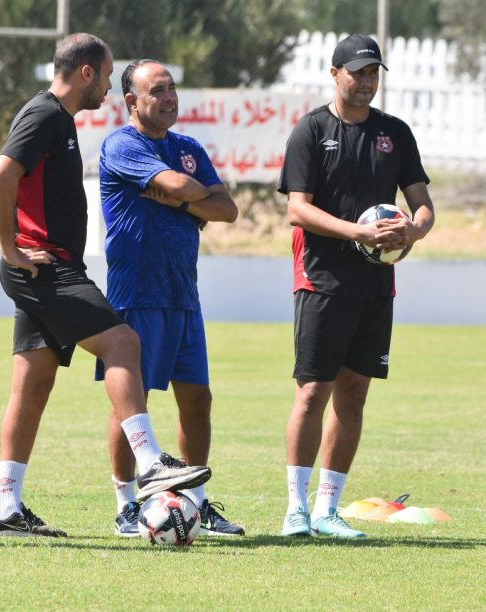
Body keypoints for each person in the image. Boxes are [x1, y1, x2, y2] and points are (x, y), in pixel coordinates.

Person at [0, 34, 212, 538]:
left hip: (46, 268)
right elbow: (0, 177)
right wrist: (11, 251)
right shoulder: (45, 115)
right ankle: (150, 462)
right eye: (107, 77)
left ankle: (5, 508)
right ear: (86, 72)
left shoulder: (59, 121)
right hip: (45, 269)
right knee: (122, 342)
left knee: (31, 387)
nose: (108, 87)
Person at [277, 34, 435, 538]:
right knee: (312, 393)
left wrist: (413, 229)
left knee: (355, 392)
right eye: (357, 72)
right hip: (321, 279)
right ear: (335, 73)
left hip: (376, 283)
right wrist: (358, 232)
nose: (366, 81)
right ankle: (295, 509)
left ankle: (327, 510)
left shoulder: (395, 133)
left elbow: (423, 204)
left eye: (373, 73)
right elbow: (296, 209)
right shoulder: (310, 130)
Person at [95, 59, 245, 538]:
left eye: (172, 88)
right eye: (156, 90)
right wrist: (188, 196)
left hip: (183, 293)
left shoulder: (188, 147)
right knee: (131, 404)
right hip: (137, 293)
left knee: (198, 401)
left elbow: (227, 209)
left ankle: (196, 503)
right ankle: (125, 504)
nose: (168, 97)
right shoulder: (122, 144)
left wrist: (180, 200)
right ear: (132, 102)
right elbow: (186, 186)